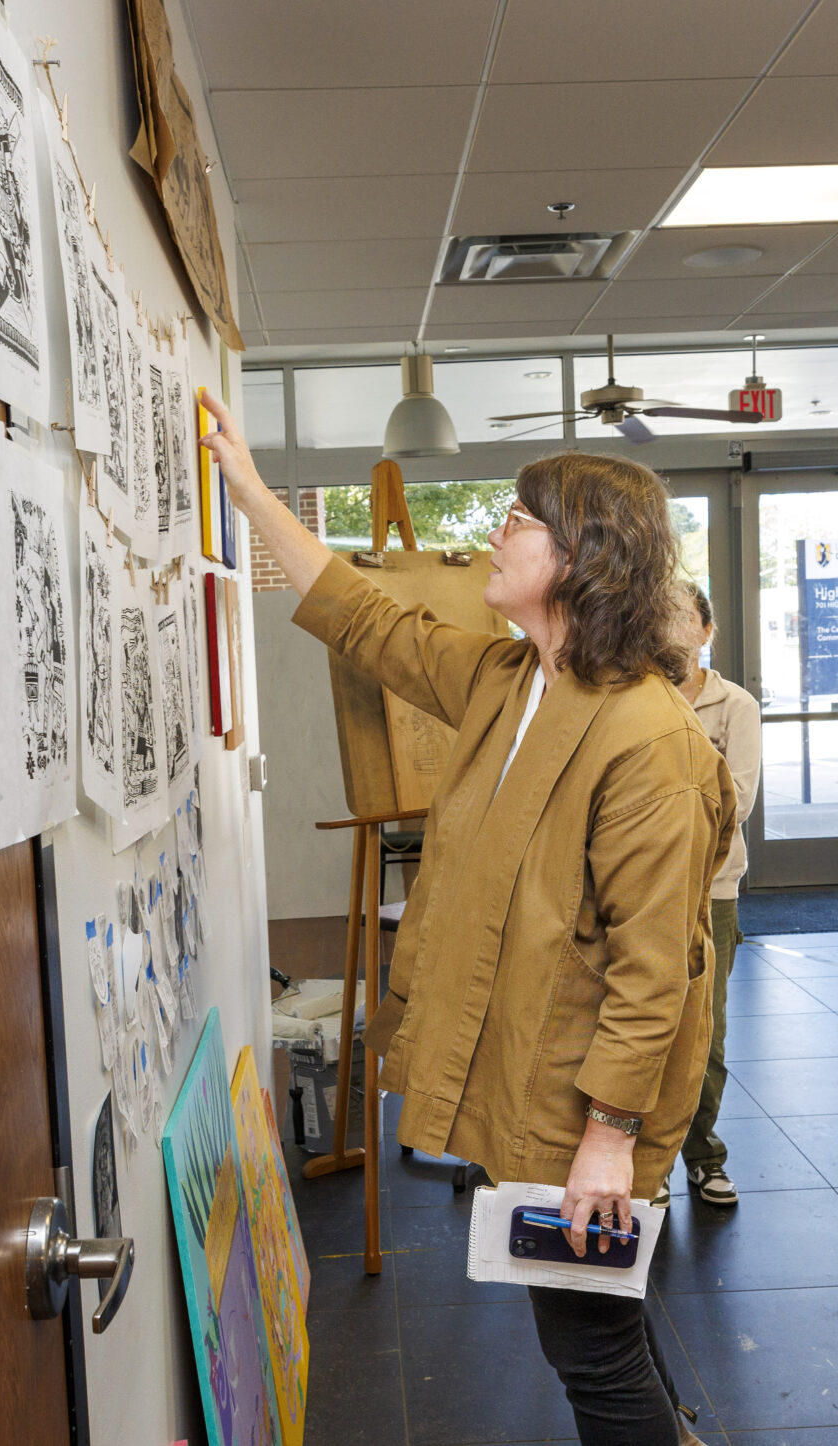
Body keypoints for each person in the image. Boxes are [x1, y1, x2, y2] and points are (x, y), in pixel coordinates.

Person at [202, 390, 731, 1446]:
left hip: (581, 1096)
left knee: (588, 1353)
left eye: (521, 521)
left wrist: (605, 1142)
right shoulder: (510, 680)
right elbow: (369, 622)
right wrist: (252, 495)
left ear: (584, 557)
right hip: (527, 1069)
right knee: (603, 1320)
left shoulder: (651, 741)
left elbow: (654, 969)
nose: (496, 532)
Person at [670, 582, 759, 1210]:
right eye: (657, 618)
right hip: (638, 892)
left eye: (683, 619)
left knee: (706, 1032)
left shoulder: (735, 705)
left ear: (707, 630)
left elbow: (738, 802)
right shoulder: (625, 698)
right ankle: (645, 1168)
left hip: (712, 888)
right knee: (637, 1029)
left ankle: (703, 1156)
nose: (670, 631)